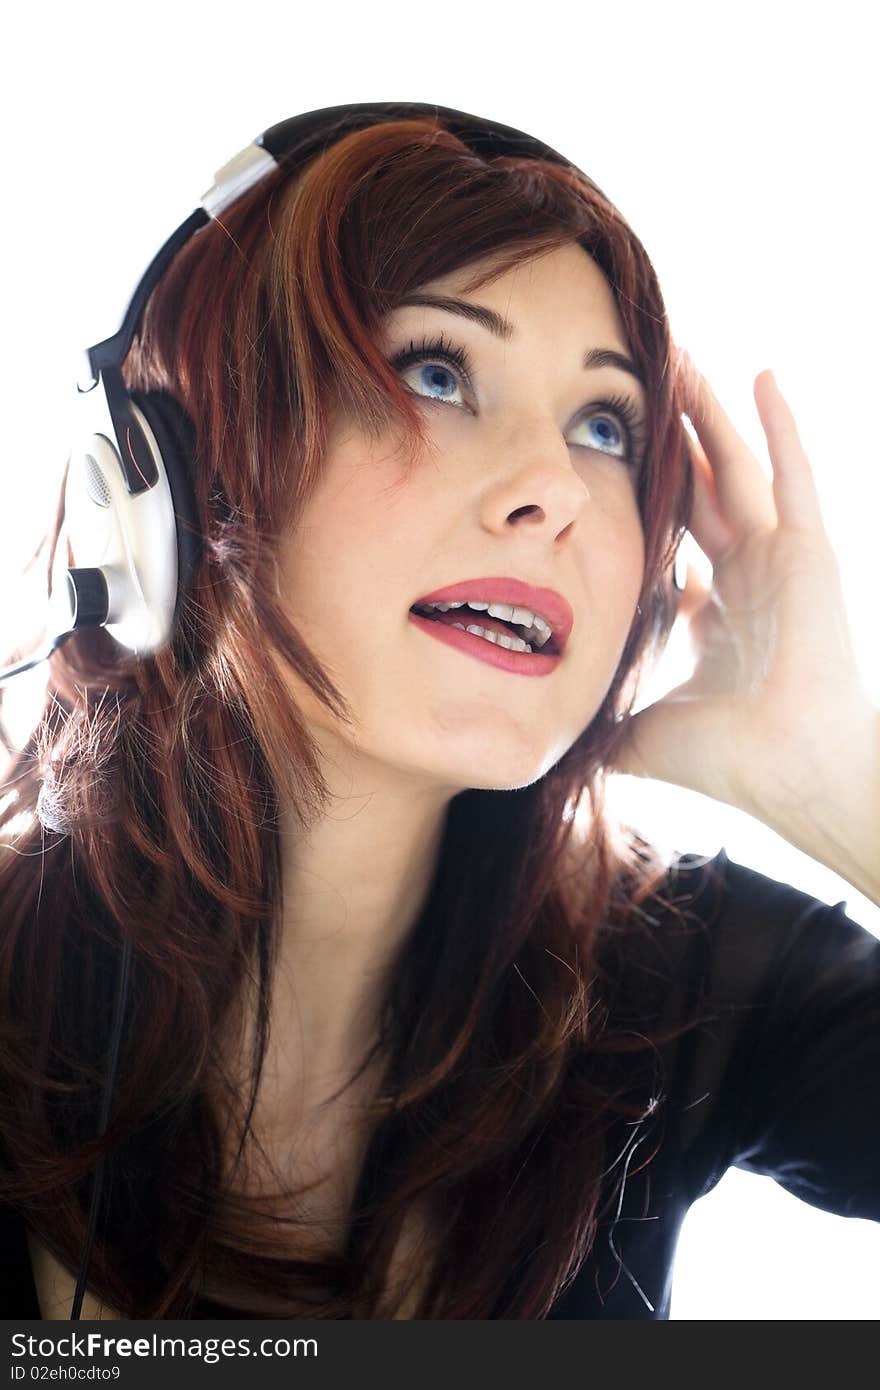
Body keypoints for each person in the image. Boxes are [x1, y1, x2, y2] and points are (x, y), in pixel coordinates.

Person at [0, 107, 877, 1322]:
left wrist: (840, 783)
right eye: (436, 371)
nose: (555, 490)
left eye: (604, 424)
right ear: (163, 492)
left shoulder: (688, 977)